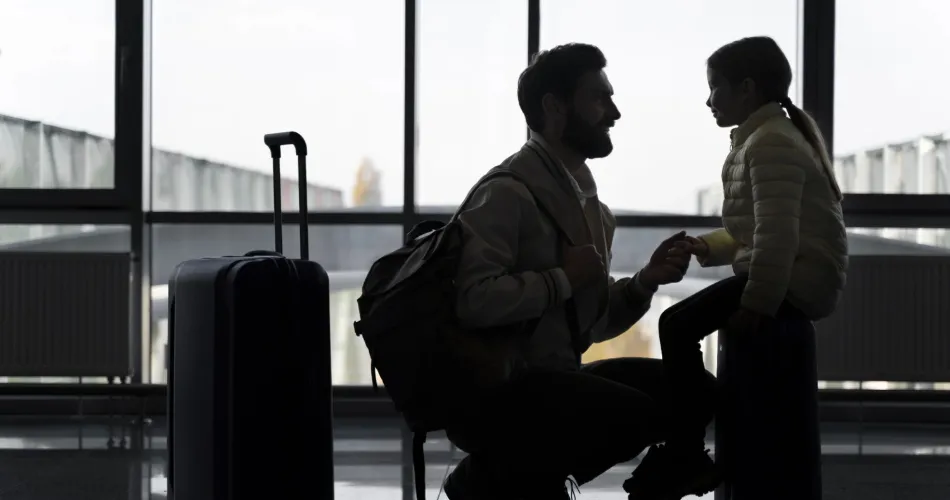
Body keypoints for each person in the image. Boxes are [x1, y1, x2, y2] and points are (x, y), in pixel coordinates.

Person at [442, 43, 717, 500]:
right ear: (554, 106)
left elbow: (588, 325)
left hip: (556, 377)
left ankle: (532, 478)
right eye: (599, 98)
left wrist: (645, 281)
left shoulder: (593, 210)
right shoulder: (505, 193)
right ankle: (490, 480)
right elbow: (472, 301)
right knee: (635, 414)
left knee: (695, 391)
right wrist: (562, 279)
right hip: (497, 390)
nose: (614, 112)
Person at [623, 36, 849, 498]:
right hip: (788, 275)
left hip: (791, 283)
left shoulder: (770, 144)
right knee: (679, 324)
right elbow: (756, 232)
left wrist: (759, 303)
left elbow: (777, 237)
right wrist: (704, 246)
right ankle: (689, 440)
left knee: (677, 323)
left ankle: (686, 451)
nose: (708, 100)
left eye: (715, 88)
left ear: (746, 88)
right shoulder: (766, 139)